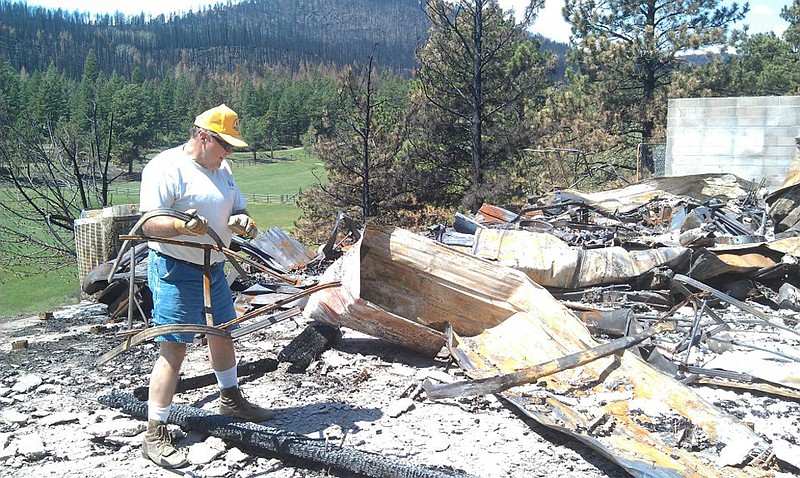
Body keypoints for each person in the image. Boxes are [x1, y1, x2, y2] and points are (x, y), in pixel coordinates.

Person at [138, 104, 272, 468]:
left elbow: (237, 210)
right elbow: (148, 224)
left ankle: (230, 398)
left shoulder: (223, 169)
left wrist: (243, 221)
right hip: (175, 268)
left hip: (212, 267)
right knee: (174, 349)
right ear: (203, 137)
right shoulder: (166, 168)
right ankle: (155, 432)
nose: (229, 152)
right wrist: (182, 227)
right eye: (224, 145)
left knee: (223, 332)